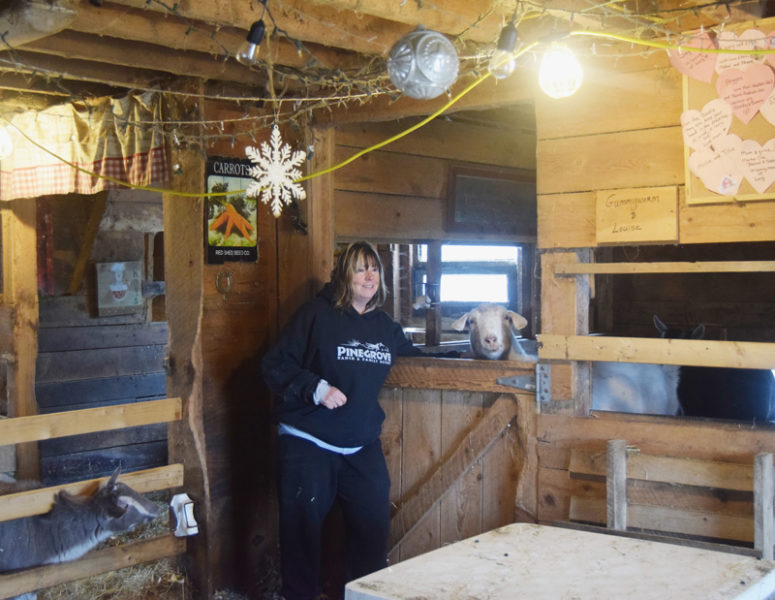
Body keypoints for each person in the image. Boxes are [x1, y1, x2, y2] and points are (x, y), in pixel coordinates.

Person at [261, 241, 451, 600]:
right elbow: (274, 364)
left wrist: (478, 352)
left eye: (374, 269)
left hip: (360, 442)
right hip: (308, 439)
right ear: (344, 275)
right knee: (302, 534)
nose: (369, 276)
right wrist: (316, 388)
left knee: (372, 529)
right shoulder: (315, 315)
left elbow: (421, 360)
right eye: (360, 269)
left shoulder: (384, 328)